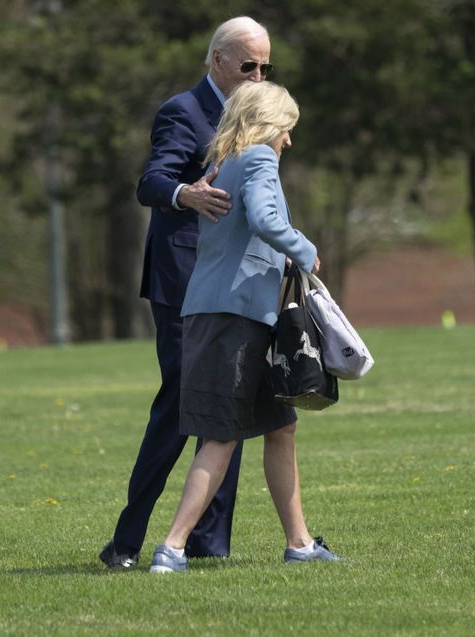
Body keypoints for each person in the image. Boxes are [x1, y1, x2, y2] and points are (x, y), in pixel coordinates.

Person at [100, 16, 274, 569]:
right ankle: (126, 541)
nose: (258, 75)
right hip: (184, 286)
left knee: (232, 404)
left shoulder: (255, 114)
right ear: (218, 60)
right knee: (179, 407)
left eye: (266, 66)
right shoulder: (184, 110)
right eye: (249, 65)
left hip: (236, 287)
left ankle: (208, 544)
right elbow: (150, 182)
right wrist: (185, 194)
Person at [148, 81, 340, 574]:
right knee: (220, 435)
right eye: (287, 129)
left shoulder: (224, 162)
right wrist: (303, 248)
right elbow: (265, 218)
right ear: (267, 123)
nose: (289, 141)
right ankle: (171, 548)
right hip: (231, 318)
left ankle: (299, 543)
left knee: (281, 427)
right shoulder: (256, 158)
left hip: (239, 315)